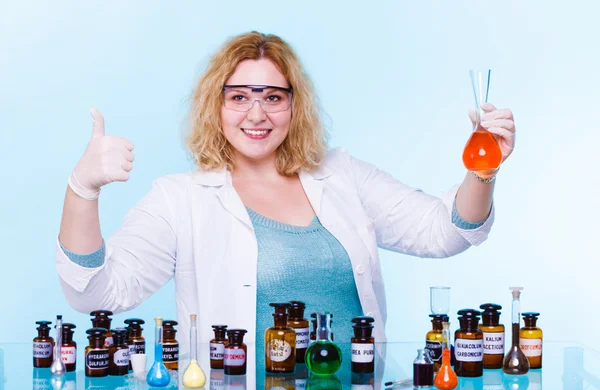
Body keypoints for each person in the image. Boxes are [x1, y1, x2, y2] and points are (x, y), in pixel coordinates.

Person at [56, 32, 515, 355]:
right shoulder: (180, 199)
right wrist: (83, 189)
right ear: (215, 106)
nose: (257, 113)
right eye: (238, 97)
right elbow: (95, 293)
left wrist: (483, 169)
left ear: (295, 106)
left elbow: (445, 233)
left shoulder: (343, 176)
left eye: (273, 97)